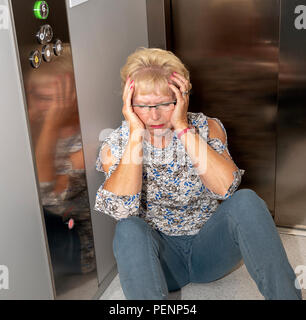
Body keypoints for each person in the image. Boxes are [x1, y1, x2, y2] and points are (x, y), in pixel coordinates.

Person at [94, 47, 302, 300]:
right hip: (161, 261)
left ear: (182, 97)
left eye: (165, 103)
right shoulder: (117, 143)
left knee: (246, 201)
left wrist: (182, 127)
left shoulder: (207, 127)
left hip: (210, 251)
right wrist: (136, 134)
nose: (155, 115)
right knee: (128, 228)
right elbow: (120, 211)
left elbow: (225, 188)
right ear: (129, 104)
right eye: (144, 105)